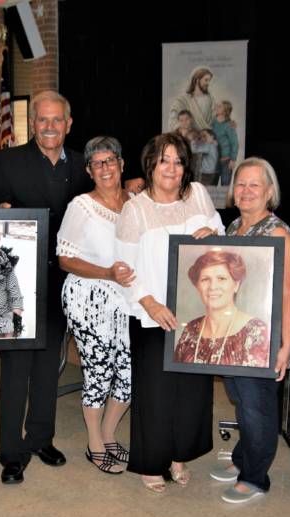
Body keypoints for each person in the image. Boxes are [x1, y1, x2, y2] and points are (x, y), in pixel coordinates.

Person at [0, 90, 93, 484]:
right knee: (15, 369)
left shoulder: (84, 166)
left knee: (49, 365)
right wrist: (0, 213)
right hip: (17, 284)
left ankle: (41, 438)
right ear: (33, 124)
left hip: (64, 283)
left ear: (69, 124)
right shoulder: (6, 162)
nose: (49, 127)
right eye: (42, 120)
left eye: (57, 120)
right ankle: (11, 452)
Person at [115, 132, 224, 493]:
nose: (172, 168)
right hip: (153, 314)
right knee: (156, 392)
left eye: (178, 161)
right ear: (150, 164)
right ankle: (152, 462)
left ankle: (179, 456)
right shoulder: (135, 209)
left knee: (192, 391)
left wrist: (212, 233)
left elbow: (221, 239)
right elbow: (124, 268)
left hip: (196, 313)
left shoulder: (198, 195)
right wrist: (150, 303)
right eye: (165, 160)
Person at [205, 157, 290, 503]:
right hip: (233, 333)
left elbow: (288, 293)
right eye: (240, 184)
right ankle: (244, 458)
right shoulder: (233, 230)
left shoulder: (279, 234)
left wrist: (285, 345)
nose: (245, 191)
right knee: (241, 401)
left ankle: (257, 477)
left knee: (257, 406)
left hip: (263, 338)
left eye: (254, 185)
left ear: (269, 191)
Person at [56, 136, 135, 475]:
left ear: (122, 164)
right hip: (88, 299)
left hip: (128, 302)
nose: (105, 168)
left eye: (111, 160)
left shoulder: (136, 203)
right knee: (99, 374)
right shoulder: (81, 206)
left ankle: (109, 432)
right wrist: (105, 272)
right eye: (98, 163)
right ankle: (94, 443)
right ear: (89, 170)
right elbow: (64, 259)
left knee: (129, 375)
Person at [174, 250, 270, 367]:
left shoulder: (255, 330)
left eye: (221, 278)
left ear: (236, 284)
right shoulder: (190, 330)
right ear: (197, 286)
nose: (213, 287)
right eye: (205, 279)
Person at [211, 101, 238, 187]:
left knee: (225, 184)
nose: (216, 107)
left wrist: (233, 160)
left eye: (219, 106)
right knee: (211, 184)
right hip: (213, 159)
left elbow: (234, 143)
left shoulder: (229, 125)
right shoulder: (212, 122)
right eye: (217, 106)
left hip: (226, 160)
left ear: (225, 111)